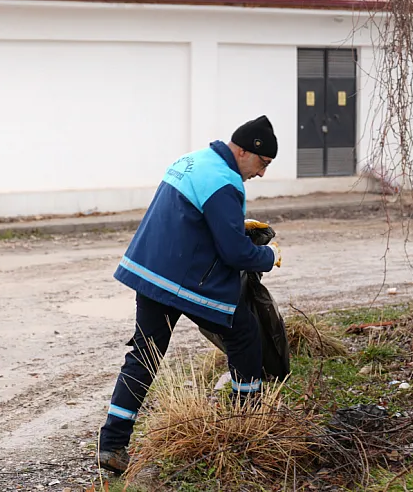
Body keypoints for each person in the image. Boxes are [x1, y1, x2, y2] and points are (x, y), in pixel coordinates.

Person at [97, 115, 284, 474]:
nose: (261, 173)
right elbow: (234, 254)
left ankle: (112, 445)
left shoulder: (191, 160)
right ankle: (248, 426)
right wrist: (269, 256)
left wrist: (232, 225)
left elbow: (185, 218)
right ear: (244, 151)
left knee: (145, 355)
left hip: (149, 273)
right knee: (245, 333)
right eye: (262, 163)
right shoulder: (225, 181)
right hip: (185, 281)